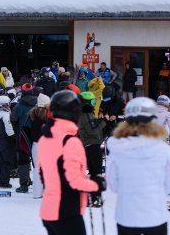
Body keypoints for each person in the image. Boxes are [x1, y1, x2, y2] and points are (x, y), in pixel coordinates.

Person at [106, 97, 170, 235]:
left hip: (126, 216)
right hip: (155, 215)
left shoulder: (117, 149)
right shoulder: (162, 149)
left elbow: (113, 185)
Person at [38, 91, 104, 235]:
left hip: (49, 210)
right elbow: (74, 181)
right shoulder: (71, 141)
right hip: (66, 211)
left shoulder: (44, 138)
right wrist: (97, 184)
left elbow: (42, 174)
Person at [77, 91, 106, 207]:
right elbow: (93, 131)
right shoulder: (87, 116)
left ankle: (91, 197)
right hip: (92, 146)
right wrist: (103, 122)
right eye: (93, 101)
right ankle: (95, 198)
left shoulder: (85, 115)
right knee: (96, 173)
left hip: (89, 145)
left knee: (93, 173)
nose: (94, 104)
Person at [12, 83, 37, 193]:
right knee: (38, 161)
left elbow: (13, 119)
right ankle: (39, 185)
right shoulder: (38, 104)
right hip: (37, 135)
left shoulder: (18, 106)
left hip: (22, 135)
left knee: (23, 161)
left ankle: (24, 184)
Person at [28, 93, 51, 199]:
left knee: (37, 169)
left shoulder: (33, 115)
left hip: (36, 145)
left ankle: (37, 193)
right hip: (48, 145)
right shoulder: (48, 117)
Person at [0, 95, 15, 188]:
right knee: (7, 161)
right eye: (7, 104)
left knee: (2, 161)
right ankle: (5, 181)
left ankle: (0, 179)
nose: (9, 105)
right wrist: (13, 138)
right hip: (6, 140)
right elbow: (9, 129)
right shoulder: (5, 115)